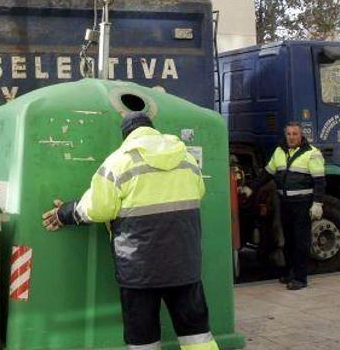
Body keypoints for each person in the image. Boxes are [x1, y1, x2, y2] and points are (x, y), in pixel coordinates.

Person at [42, 112, 218, 350]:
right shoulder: (187, 159)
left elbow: (98, 209)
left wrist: (65, 213)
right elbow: (199, 193)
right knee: (197, 336)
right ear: (153, 129)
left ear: (126, 136)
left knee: (143, 340)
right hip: (185, 264)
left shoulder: (119, 162)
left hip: (139, 270)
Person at [242, 121, 324, 290]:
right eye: (289, 134)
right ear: (285, 135)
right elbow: (266, 174)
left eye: (295, 134)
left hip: (302, 203)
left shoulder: (312, 153)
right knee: (288, 241)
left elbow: (320, 182)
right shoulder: (279, 152)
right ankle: (289, 273)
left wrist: (317, 204)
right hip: (285, 203)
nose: (292, 137)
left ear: (301, 136)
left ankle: (301, 278)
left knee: (301, 242)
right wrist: (251, 188)